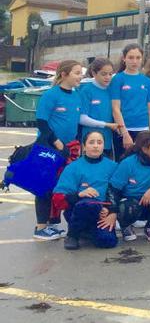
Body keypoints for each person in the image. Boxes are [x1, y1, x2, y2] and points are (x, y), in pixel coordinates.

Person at [33, 60, 84, 240]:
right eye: (77, 73)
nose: (80, 76)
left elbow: (75, 122)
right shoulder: (51, 95)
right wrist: (56, 142)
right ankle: (40, 227)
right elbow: (42, 122)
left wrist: (76, 143)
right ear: (64, 74)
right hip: (48, 147)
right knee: (44, 187)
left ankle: (52, 223)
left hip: (67, 149)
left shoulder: (76, 95)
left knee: (60, 186)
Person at [52, 131, 119, 250]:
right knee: (89, 204)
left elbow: (119, 192)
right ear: (84, 146)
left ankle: (88, 231)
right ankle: (72, 235)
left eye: (99, 142)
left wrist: (112, 212)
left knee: (107, 241)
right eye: (91, 142)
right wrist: (79, 194)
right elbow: (58, 198)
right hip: (78, 209)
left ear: (104, 145)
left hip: (103, 212)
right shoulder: (73, 167)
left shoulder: (113, 166)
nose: (95, 146)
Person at [110, 44, 150, 153]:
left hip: (143, 130)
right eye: (131, 57)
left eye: (138, 58)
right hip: (125, 130)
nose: (134, 61)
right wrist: (124, 133)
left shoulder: (147, 81)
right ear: (124, 59)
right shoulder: (117, 79)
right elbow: (115, 109)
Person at [79, 58, 119, 158]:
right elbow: (82, 118)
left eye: (110, 74)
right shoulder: (86, 90)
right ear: (94, 73)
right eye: (104, 74)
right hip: (90, 141)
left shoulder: (112, 90)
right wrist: (106, 125)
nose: (108, 77)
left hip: (107, 141)